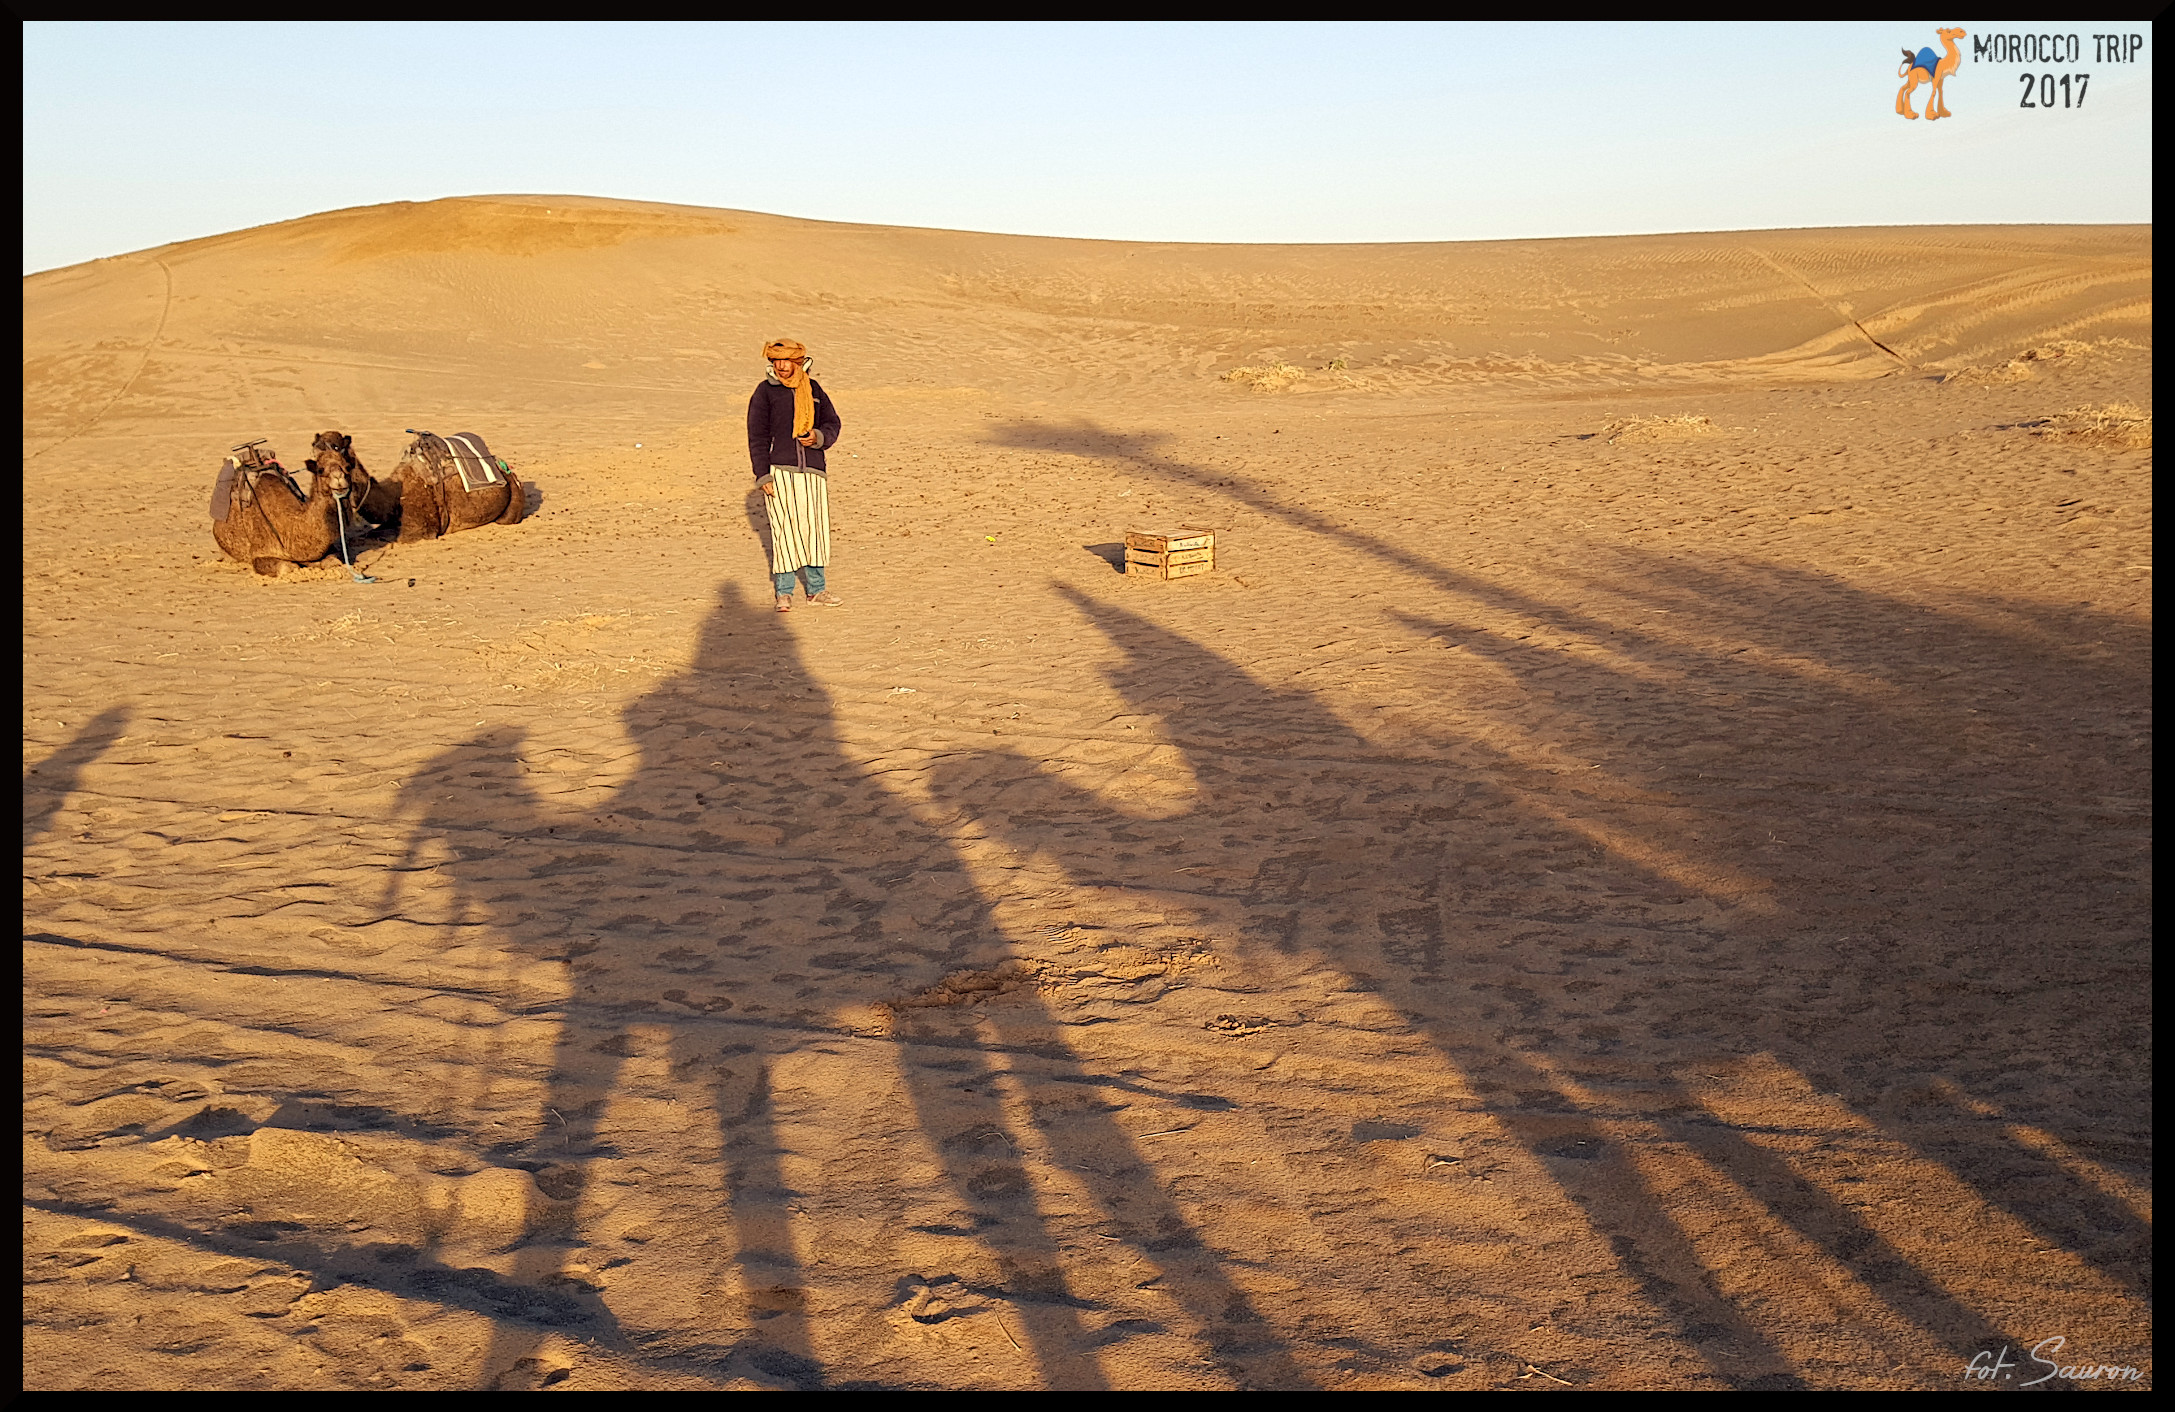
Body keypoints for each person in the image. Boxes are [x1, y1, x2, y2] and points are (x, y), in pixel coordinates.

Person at [748, 339, 844, 611]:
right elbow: (757, 437)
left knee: (814, 530)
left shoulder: (814, 389)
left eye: (786, 361)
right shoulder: (765, 392)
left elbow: (833, 423)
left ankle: (817, 590)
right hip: (779, 472)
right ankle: (784, 592)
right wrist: (763, 475)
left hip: (813, 471)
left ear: (798, 362)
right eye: (776, 361)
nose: (781, 366)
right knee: (784, 531)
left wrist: (818, 437)